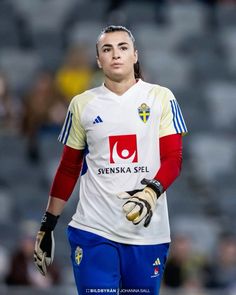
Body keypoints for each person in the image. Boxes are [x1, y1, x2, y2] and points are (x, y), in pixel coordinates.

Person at [34, 25, 188, 294]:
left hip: (147, 233)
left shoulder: (161, 98)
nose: (115, 54)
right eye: (107, 49)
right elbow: (69, 168)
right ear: (98, 60)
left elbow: (173, 159)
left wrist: (151, 192)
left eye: (122, 47)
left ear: (135, 55)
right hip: (93, 230)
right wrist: (48, 224)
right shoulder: (82, 104)